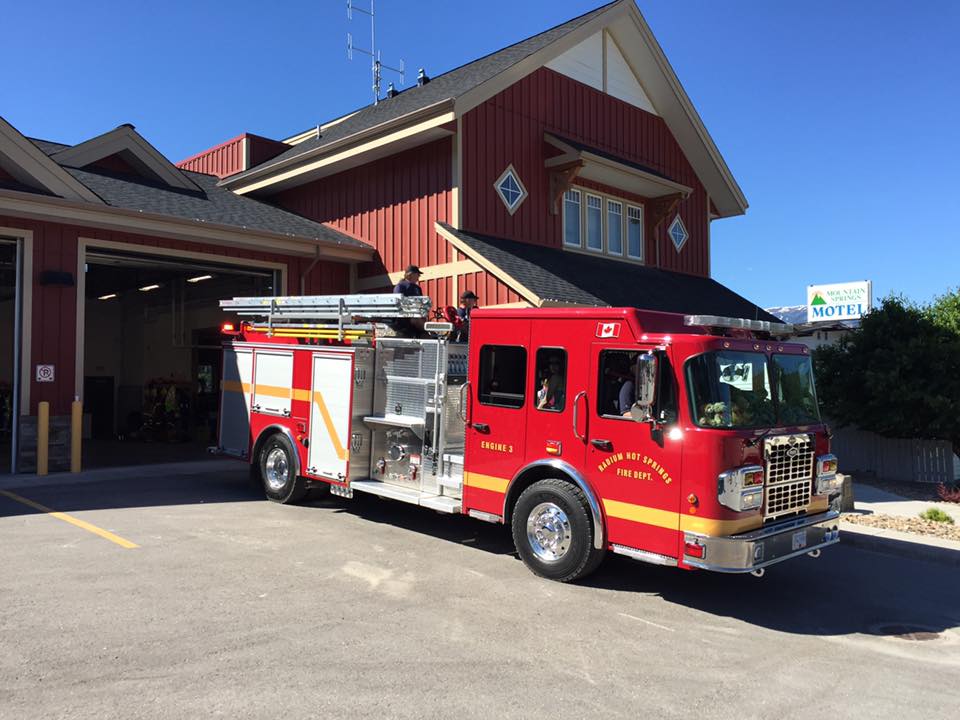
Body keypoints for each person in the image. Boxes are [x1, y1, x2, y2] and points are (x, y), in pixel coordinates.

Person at [392, 265, 426, 336]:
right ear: (410, 274)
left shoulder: (417, 288)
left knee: (420, 319)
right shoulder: (400, 286)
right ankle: (428, 332)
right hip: (404, 317)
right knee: (416, 319)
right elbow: (398, 303)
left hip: (417, 316)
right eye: (417, 274)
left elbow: (421, 303)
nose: (419, 276)